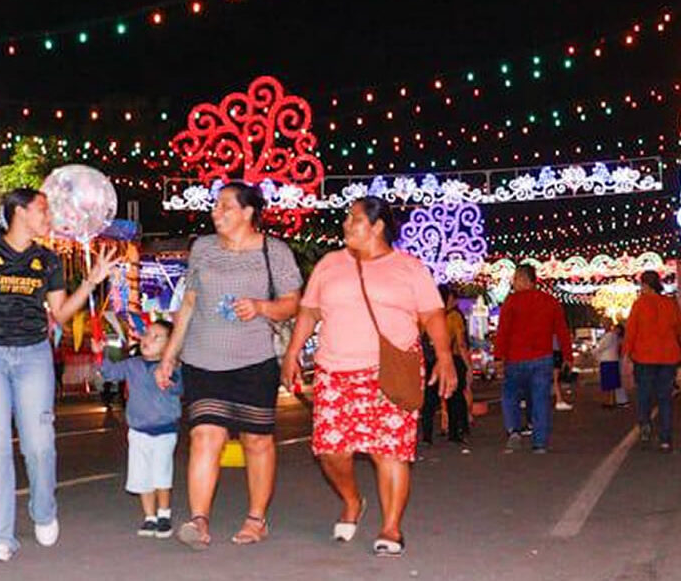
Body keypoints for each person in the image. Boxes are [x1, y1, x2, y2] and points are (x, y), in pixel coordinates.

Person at [0, 188, 118, 562]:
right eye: (43, 210)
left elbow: (59, 315)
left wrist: (91, 282)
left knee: (39, 444)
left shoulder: (47, 260)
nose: (49, 217)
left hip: (33, 356)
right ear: (19, 213)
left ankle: (43, 509)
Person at [281, 196, 456, 558]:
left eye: (355, 219)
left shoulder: (409, 268)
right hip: (335, 371)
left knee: (389, 451)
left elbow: (433, 315)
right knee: (331, 451)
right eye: (347, 218)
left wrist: (444, 357)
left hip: (391, 370)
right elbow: (309, 312)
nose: (347, 224)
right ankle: (352, 499)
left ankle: (391, 527)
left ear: (377, 227)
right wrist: (293, 352)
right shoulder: (330, 264)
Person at [155, 182, 302, 550]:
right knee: (205, 435)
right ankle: (198, 520)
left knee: (256, 440)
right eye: (215, 206)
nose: (216, 212)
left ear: (248, 212)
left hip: (254, 360)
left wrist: (261, 307)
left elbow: (292, 304)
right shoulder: (202, 249)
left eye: (225, 207)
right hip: (203, 358)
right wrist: (170, 354)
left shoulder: (274, 250)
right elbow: (188, 304)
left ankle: (256, 519)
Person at [100, 320, 182, 539]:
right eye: (147, 334)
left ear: (170, 345)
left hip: (164, 431)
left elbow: (179, 387)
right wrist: (101, 354)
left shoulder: (171, 367)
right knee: (141, 474)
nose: (148, 340)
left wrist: (169, 377)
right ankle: (149, 517)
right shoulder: (132, 364)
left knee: (161, 472)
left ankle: (164, 514)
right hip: (137, 431)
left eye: (157, 337)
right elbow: (110, 373)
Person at [494, 264, 572, 454]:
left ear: (523, 279)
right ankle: (540, 442)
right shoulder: (550, 301)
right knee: (540, 400)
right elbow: (562, 330)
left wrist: (498, 357)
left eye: (515, 278)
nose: (513, 282)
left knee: (510, 395)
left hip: (515, 358)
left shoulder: (511, 302)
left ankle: (514, 430)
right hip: (542, 358)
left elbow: (503, 331)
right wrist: (567, 356)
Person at [622, 270, 681, 453]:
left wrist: (626, 354)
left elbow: (631, 331)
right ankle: (665, 439)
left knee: (644, 394)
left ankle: (645, 423)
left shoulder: (640, 304)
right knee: (665, 398)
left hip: (645, 356)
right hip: (668, 357)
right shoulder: (670, 304)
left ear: (645, 285)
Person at [421, 286, 470, 450]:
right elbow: (461, 343)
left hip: (429, 361)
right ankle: (454, 433)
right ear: (448, 298)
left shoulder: (426, 315)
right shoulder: (454, 317)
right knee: (454, 397)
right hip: (450, 360)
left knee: (429, 400)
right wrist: (467, 365)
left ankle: (427, 435)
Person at [596, 321, 628, 408]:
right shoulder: (614, 336)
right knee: (612, 383)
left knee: (607, 383)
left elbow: (601, 347)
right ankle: (611, 401)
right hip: (613, 360)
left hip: (607, 361)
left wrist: (595, 352)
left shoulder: (609, 336)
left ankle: (609, 401)